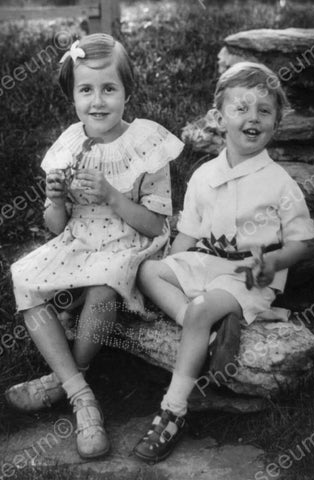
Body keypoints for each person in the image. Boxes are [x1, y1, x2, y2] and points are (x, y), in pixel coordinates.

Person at [5, 33, 184, 459]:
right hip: (80, 238)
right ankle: (80, 392)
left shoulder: (146, 143)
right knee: (23, 277)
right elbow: (55, 226)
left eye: (109, 89)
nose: (98, 101)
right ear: (72, 95)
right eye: (86, 90)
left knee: (103, 287)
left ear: (127, 91)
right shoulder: (68, 144)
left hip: (129, 240)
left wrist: (111, 195)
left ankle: (68, 380)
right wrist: (56, 199)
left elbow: (156, 222)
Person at [133, 61, 314, 463]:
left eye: (264, 111)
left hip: (248, 276)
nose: (253, 118)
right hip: (207, 263)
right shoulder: (203, 175)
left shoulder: (279, 183)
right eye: (241, 108)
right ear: (219, 118)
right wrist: (172, 263)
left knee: (201, 308)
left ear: (277, 122)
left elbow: (303, 242)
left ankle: (173, 411)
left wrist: (272, 262)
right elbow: (189, 235)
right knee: (147, 271)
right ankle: (209, 329)